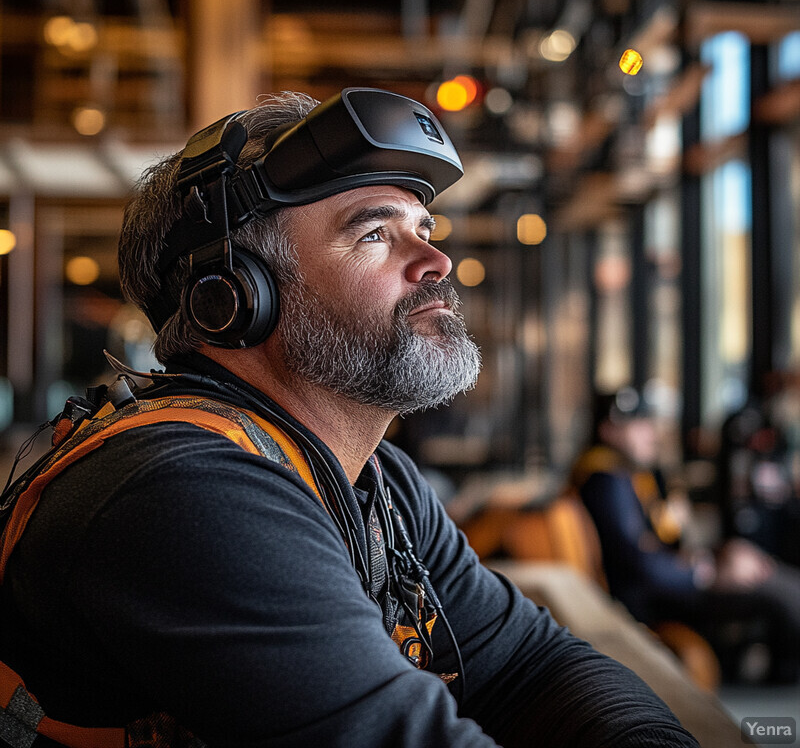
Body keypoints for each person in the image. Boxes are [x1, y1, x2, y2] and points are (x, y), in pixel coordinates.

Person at [0, 89, 700, 748]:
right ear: (236, 296)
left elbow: (529, 665)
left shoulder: (375, 480)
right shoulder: (181, 492)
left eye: (423, 227)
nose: (436, 260)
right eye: (374, 234)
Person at [571, 386, 800, 682]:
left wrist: (718, 556)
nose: (649, 432)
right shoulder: (606, 479)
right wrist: (708, 570)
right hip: (650, 601)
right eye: (637, 425)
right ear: (608, 431)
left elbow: (658, 545)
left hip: (666, 586)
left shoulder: (630, 475)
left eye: (648, 423)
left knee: (772, 578)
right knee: (779, 590)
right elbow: (639, 565)